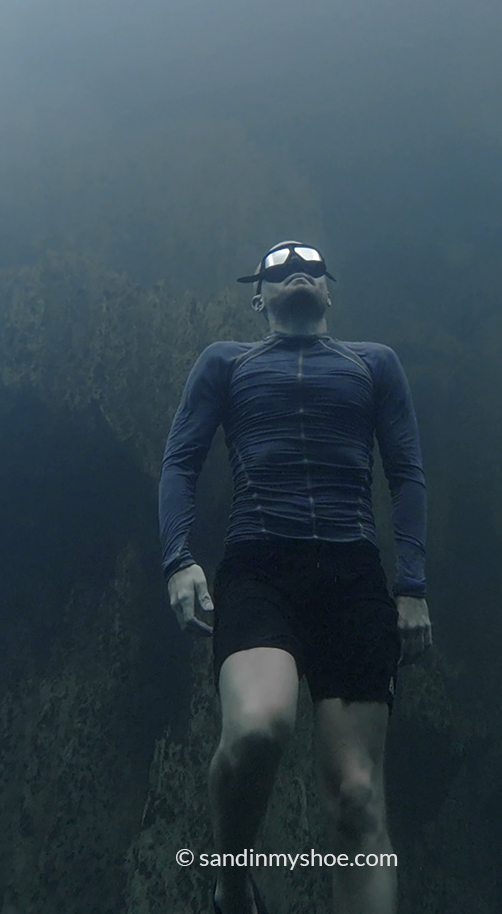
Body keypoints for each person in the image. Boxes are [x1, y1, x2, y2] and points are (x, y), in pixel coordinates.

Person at [159, 242, 431, 914]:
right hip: (260, 569)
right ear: (258, 297)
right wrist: (178, 559)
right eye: (278, 271)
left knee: (359, 796)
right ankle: (230, 887)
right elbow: (180, 462)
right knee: (257, 727)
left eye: (309, 266)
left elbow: (407, 475)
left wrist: (413, 585)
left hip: (354, 580)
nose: (296, 273)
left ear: (331, 292)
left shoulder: (376, 363)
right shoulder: (225, 361)